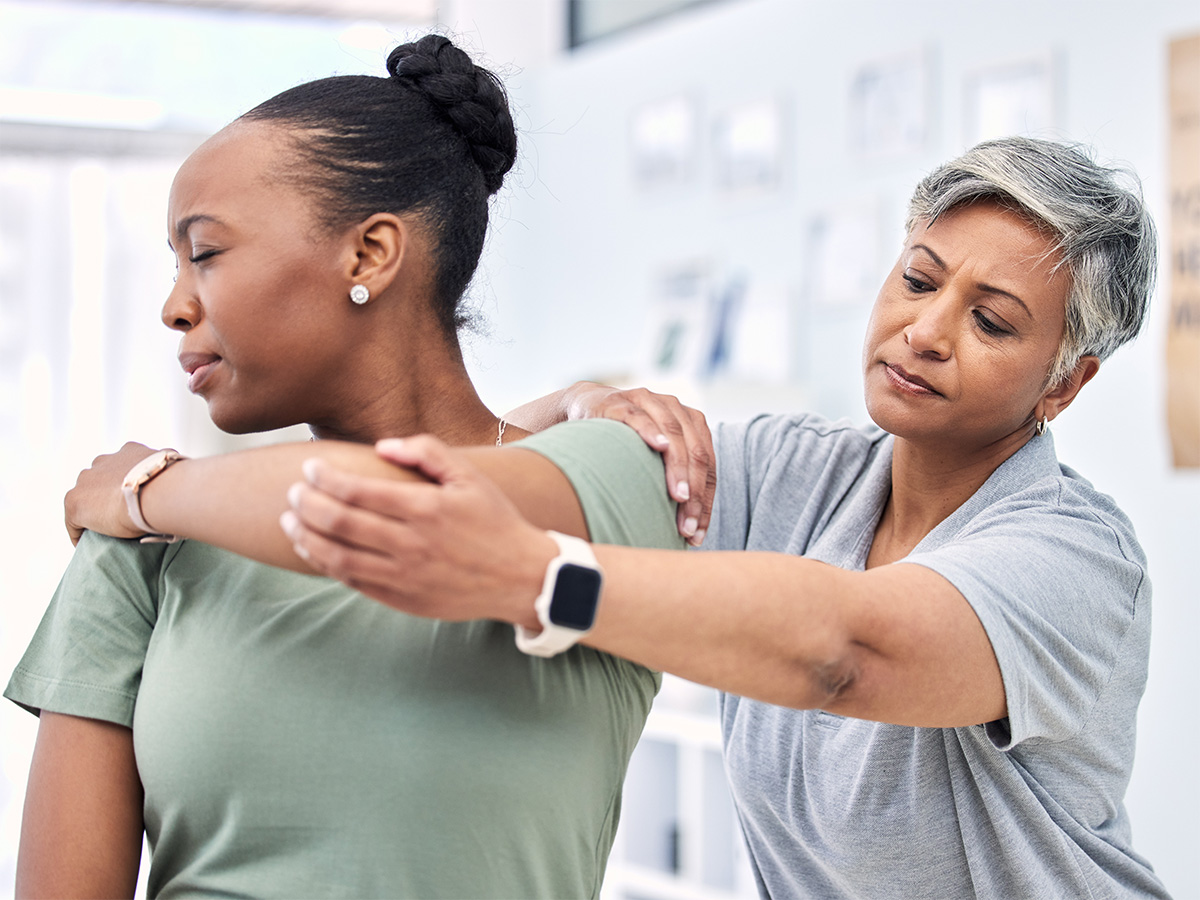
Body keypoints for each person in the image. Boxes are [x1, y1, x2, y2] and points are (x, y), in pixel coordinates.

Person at [72, 137, 1166, 898]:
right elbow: (558, 465)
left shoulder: (1073, 555)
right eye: (919, 278)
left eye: (992, 321)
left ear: (1062, 387)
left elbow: (848, 650)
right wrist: (585, 408)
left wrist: (540, 578)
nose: (926, 331)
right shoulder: (796, 471)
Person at [5, 34, 689, 899]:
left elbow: (423, 503)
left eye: (206, 253)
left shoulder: (608, 486)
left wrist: (152, 487)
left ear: (368, 255)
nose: (175, 306)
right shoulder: (142, 544)